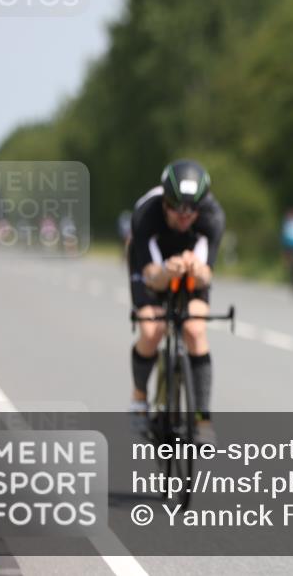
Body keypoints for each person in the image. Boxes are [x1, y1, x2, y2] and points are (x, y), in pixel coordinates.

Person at [127, 159, 225, 445]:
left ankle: (202, 418)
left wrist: (196, 269)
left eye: (191, 211)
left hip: (190, 267)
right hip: (153, 268)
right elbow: (151, 277)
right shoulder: (146, 215)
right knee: (151, 329)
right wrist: (168, 271)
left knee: (194, 330)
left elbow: (208, 276)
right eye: (177, 210)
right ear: (165, 202)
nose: (185, 217)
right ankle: (139, 397)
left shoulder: (212, 217)